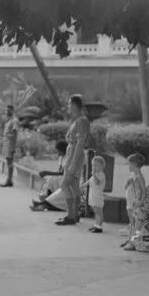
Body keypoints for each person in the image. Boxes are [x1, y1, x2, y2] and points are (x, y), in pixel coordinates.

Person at [55, 95, 91, 226]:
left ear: (75, 105)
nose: (68, 107)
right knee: (74, 186)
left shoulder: (81, 121)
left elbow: (81, 142)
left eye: (69, 104)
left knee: (65, 185)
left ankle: (70, 216)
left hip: (74, 155)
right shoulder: (79, 120)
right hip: (73, 154)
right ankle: (74, 215)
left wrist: (73, 163)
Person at [30, 140, 68, 211]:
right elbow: (59, 170)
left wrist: (47, 172)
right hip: (61, 178)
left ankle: (42, 204)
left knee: (52, 179)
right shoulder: (61, 158)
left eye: (58, 151)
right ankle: (43, 202)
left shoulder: (67, 157)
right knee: (51, 179)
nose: (57, 153)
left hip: (67, 178)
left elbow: (62, 172)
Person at [121, 153, 147, 250]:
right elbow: (127, 188)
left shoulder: (139, 177)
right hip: (130, 203)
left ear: (135, 164)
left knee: (135, 223)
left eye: (129, 164)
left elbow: (144, 191)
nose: (128, 166)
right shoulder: (134, 177)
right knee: (131, 222)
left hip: (135, 203)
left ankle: (134, 241)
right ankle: (130, 240)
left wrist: (141, 201)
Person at [81, 155, 107, 233]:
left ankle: (99, 226)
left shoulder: (101, 175)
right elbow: (89, 182)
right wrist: (82, 186)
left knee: (99, 212)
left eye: (96, 165)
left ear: (102, 166)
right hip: (92, 196)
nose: (94, 167)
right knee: (95, 211)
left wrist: (93, 174)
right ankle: (96, 225)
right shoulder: (94, 175)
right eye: (93, 165)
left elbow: (96, 182)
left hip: (97, 196)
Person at [0, 105, 19, 188]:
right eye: (6, 110)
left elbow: (15, 134)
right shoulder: (8, 121)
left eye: (9, 110)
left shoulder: (14, 120)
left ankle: (9, 180)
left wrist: (13, 147)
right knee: (8, 161)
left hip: (10, 143)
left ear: (12, 110)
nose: (7, 112)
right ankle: (9, 180)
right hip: (6, 142)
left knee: (10, 162)